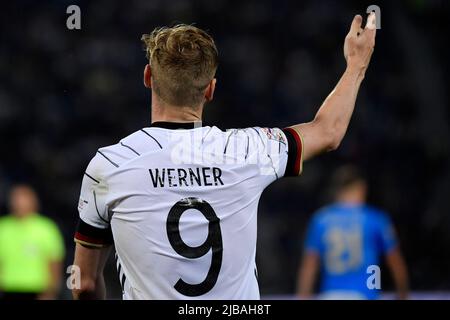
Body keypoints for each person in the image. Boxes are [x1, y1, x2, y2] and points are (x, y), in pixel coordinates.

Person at [72, 12, 377, 299]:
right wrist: (356, 65)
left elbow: (84, 284)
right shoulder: (247, 150)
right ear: (210, 90)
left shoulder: (110, 165)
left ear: (148, 76)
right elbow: (328, 132)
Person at [296, 166, 409, 300]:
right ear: (361, 188)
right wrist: (402, 295)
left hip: (330, 295)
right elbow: (395, 263)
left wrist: (303, 296)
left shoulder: (321, 219)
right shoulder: (375, 219)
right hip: (365, 295)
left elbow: (309, 267)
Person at [0, 185, 65, 300]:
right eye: (16, 199)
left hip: (38, 290)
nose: (19, 203)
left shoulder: (46, 228)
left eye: (24, 198)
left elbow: (54, 261)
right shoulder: (3, 227)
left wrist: (52, 290)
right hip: (8, 289)